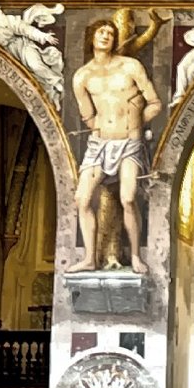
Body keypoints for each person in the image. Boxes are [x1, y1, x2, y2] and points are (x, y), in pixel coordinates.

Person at [70, 19, 162, 273]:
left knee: (128, 198)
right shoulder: (82, 76)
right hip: (99, 145)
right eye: (101, 31)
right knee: (82, 198)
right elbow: (87, 115)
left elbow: (154, 103)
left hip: (129, 143)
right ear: (91, 37)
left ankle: (135, 256)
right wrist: (101, 128)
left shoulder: (130, 66)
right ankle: (90, 258)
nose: (106, 36)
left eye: (111, 33)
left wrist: (135, 122)